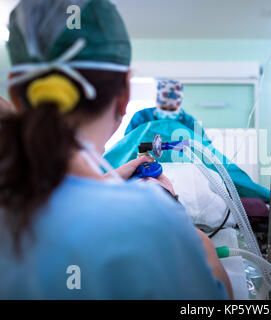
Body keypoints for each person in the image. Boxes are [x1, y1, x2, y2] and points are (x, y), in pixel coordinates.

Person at [0, 0, 231, 299]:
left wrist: (110, 180)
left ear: (16, 96)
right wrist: (205, 250)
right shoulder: (154, 220)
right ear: (124, 97)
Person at [125, 79, 210, 142]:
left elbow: (206, 147)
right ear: (157, 103)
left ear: (179, 105)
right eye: (163, 108)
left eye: (172, 109)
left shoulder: (189, 122)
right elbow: (127, 143)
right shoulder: (141, 117)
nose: (167, 112)